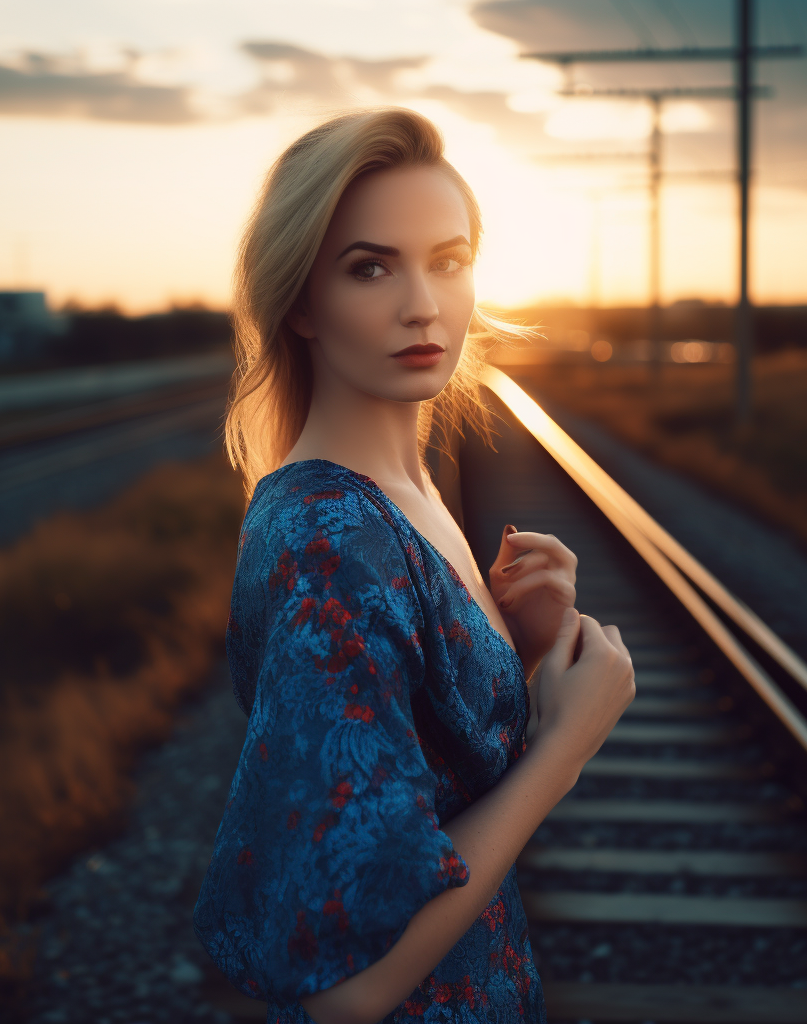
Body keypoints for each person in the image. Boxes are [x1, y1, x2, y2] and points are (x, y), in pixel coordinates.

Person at [193, 107, 635, 1024]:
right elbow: (351, 988)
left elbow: (429, 771)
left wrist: (513, 650)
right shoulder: (332, 541)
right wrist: (562, 749)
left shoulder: (411, 492)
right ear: (302, 303)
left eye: (448, 259)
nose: (422, 305)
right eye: (370, 267)